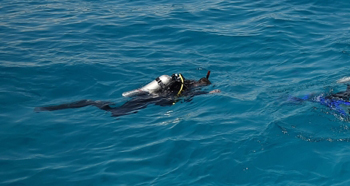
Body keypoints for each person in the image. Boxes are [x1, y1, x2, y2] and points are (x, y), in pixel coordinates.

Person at [36, 71, 216, 117]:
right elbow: (193, 96)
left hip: (146, 95)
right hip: (149, 99)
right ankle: (93, 103)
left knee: (118, 108)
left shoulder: (186, 81)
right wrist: (212, 93)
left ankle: (91, 103)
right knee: (115, 111)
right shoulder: (191, 88)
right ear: (202, 84)